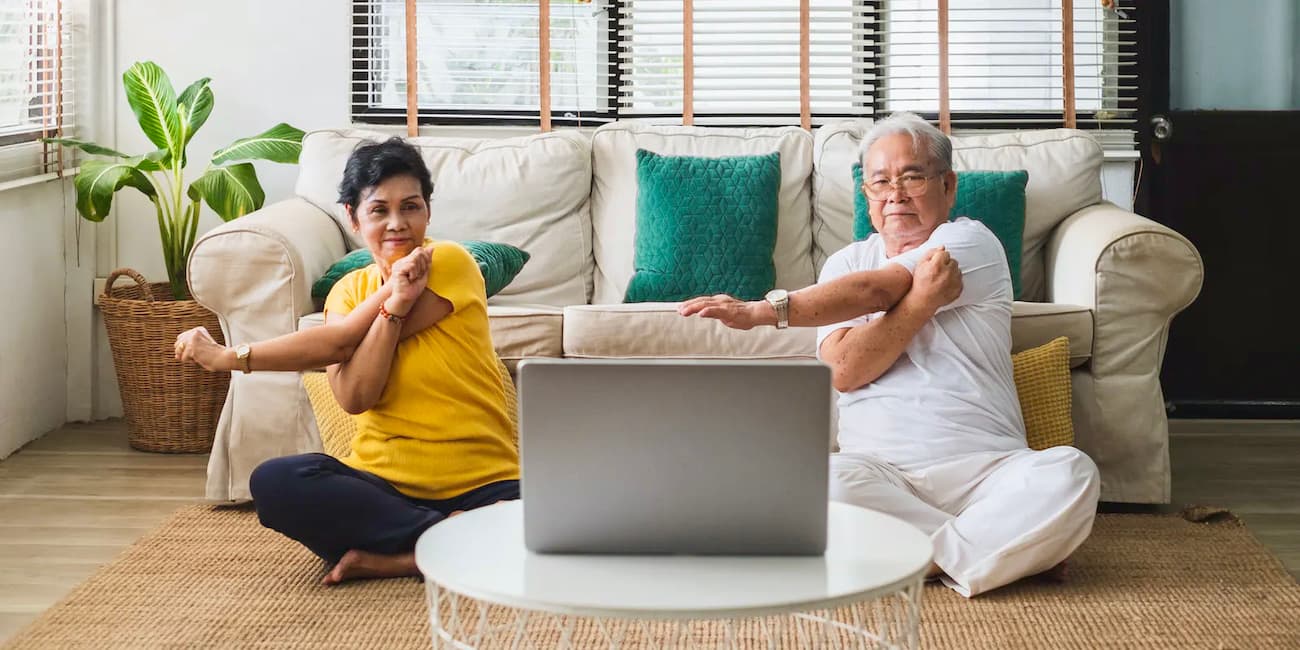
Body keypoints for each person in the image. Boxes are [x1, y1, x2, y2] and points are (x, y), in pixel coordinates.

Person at [679, 112, 1100, 597]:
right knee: (816, 484)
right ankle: (1003, 548)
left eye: (912, 177)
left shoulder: (970, 241)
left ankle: (915, 555)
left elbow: (880, 289)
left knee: (1070, 472)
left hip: (988, 470)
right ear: (867, 197)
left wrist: (763, 311)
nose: (895, 193)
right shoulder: (846, 265)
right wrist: (923, 302)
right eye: (880, 181)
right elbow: (843, 370)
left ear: (947, 186)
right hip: (880, 475)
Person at [175, 138, 519, 585]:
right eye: (379, 210)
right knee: (277, 482)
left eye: (411, 207)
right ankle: (451, 541)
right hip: (384, 488)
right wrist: (394, 306)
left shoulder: (450, 261)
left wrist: (229, 357)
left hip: (484, 483)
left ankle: (405, 556)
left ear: (428, 212)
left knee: (577, 520)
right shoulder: (346, 292)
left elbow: (339, 343)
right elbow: (356, 396)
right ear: (352, 218)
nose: (398, 224)